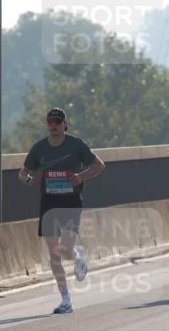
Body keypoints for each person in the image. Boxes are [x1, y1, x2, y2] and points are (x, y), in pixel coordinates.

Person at [19, 108, 105, 314]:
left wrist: (80, 176)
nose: (54, 125)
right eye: (50, 121)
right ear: (46, 125)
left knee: (65, 250)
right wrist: (31, 180)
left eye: (58, 121)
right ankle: (65, 299)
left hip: (71, 201)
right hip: (48, 202)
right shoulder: (39, 148)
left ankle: (76, 254)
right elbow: (23, 173)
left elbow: (99, 165)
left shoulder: (76, 144)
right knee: (54, 254)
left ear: (66, 124)